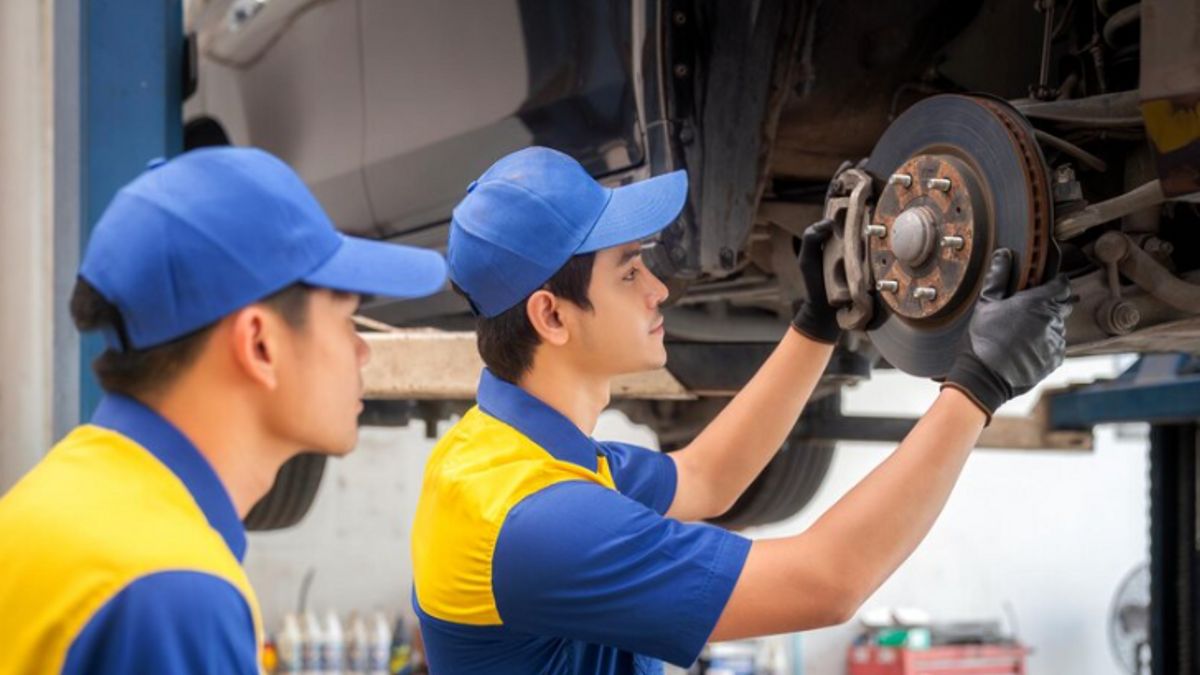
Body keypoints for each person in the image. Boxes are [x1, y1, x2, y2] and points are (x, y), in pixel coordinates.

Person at [409, 146, 1072, 674]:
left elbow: (706, 478)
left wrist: (817, 321)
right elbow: (827, 582)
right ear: (551, 315)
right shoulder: (536, 522)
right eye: (630, 270)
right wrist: (977, 388)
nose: (659, 289)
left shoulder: (507, 458)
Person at [0, 147, 447, 674]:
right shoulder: (172, 590)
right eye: (347, 319)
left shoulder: (68, 493)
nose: (363, 351)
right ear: (260, 344)